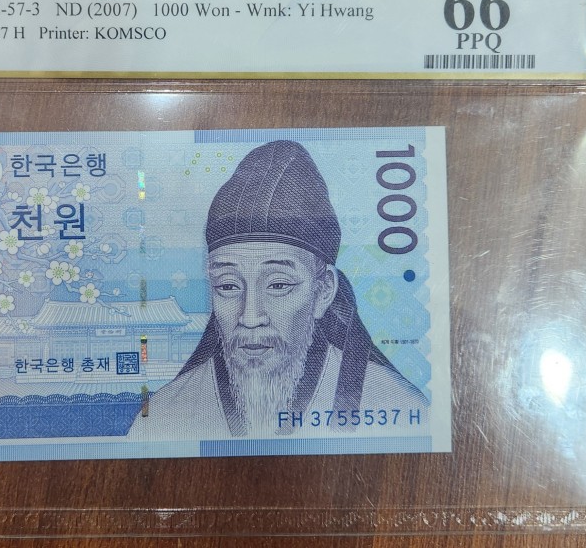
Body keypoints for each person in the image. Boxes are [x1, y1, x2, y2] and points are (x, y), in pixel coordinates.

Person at [128, 140, 428, 439]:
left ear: (323, 291)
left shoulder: (398, 405)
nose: (250, 317)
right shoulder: (161, 416)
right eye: (228, 285)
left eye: (279, 285)